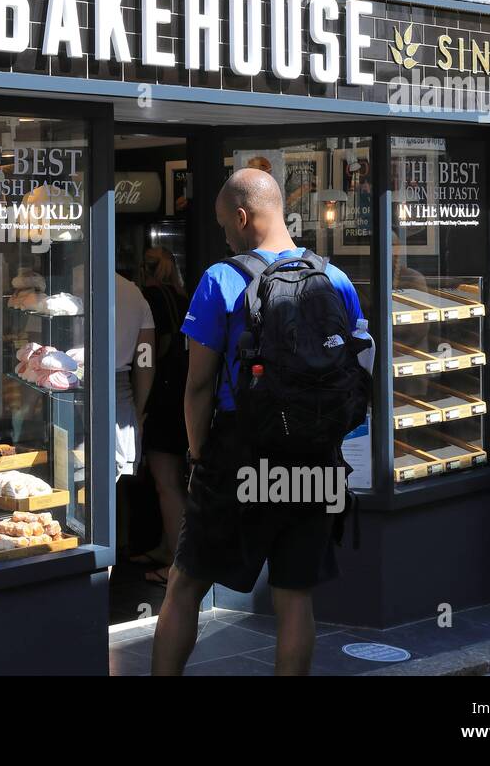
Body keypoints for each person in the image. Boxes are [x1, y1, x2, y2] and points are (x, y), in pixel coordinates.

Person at [152, 168, 365, 676]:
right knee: (295, 598)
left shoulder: (220, 279)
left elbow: (198, 385)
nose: (224, 234)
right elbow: (358, 368)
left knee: (185, 585)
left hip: (238, 452)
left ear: (243, 217)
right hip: (315, 457)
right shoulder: (334, 278)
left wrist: (200, 454)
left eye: (225, 223)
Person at [130, 247, 190, 585]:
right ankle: (167, 546)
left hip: (162, 397)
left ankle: (176, 561)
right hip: (181, 396)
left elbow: (150, 351)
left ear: (146, 269)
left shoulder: (151, 297)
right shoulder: (181, 297)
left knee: (166, 481)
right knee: (171, 479)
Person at [114, 271, 155, 481]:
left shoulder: (60, 286)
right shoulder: (133, 293)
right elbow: (145, 361)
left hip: (65, 391)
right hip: (120, 399)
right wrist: (137, 411)